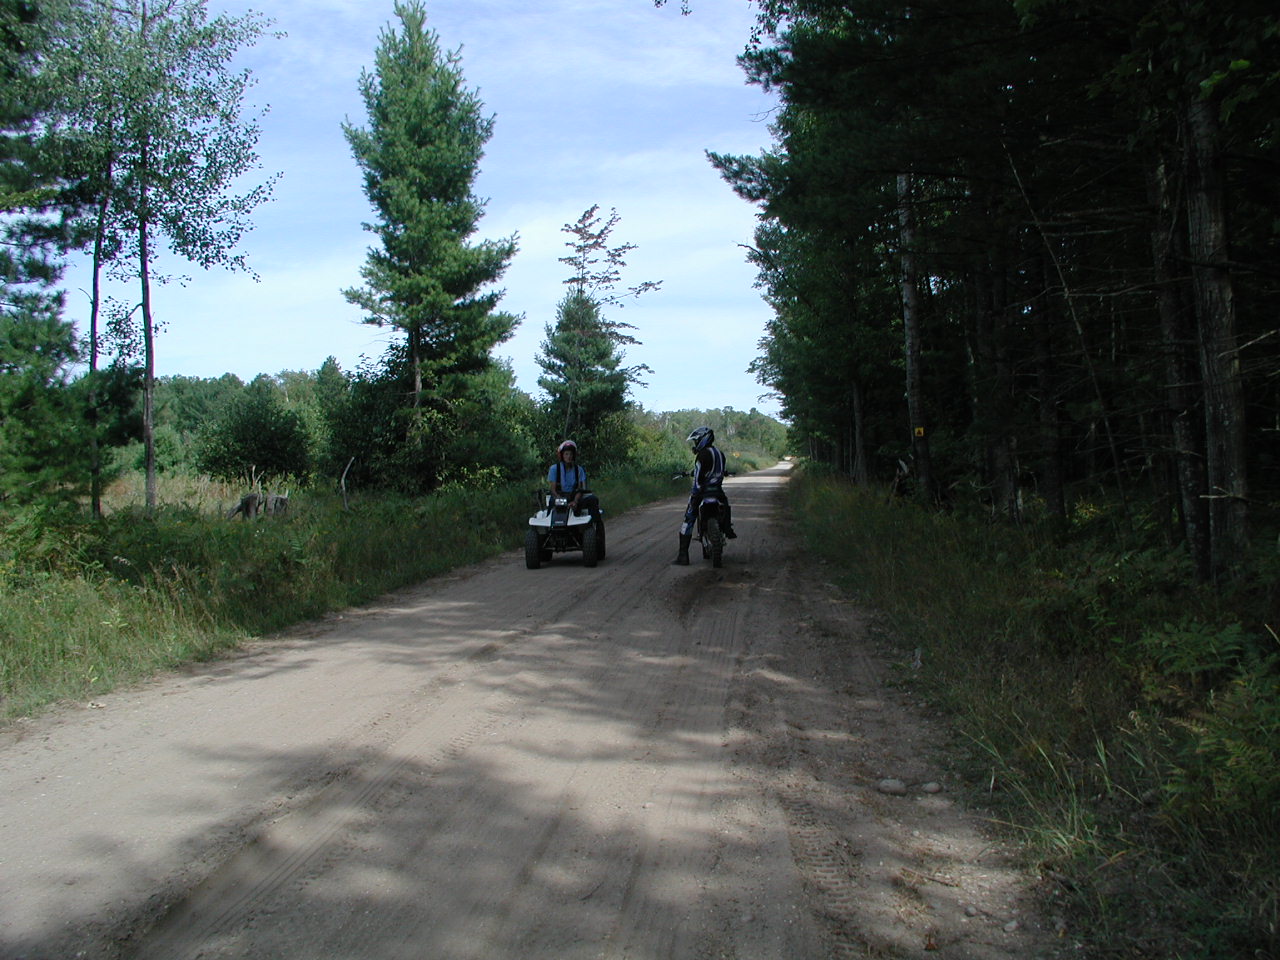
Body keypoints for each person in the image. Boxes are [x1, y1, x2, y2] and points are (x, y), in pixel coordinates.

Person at [673, 426, 736, 565]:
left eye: (696, 441)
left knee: (688, 519)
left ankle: (683, 556)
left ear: (702, 439)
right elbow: (717, 470)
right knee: (725, 506)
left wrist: (695, 494)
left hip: (703, 492)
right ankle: (728, 529)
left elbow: (698, 478)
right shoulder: (720, 453)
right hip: (717, 491)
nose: (695, 444)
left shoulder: (702, 455)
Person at [547, 439, 601, 526]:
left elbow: (580, 489)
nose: (569, 456)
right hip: (559, 498)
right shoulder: (554, 469)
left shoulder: (579, 470)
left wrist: (575, 501)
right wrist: (563, 502)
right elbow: (553, 490)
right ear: (562, 455)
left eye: (571, 454)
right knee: (552, 501)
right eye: (566, 454)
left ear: (574, 456)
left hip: (575, 498)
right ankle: (548, 526)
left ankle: (594, 527)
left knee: (593, 499)